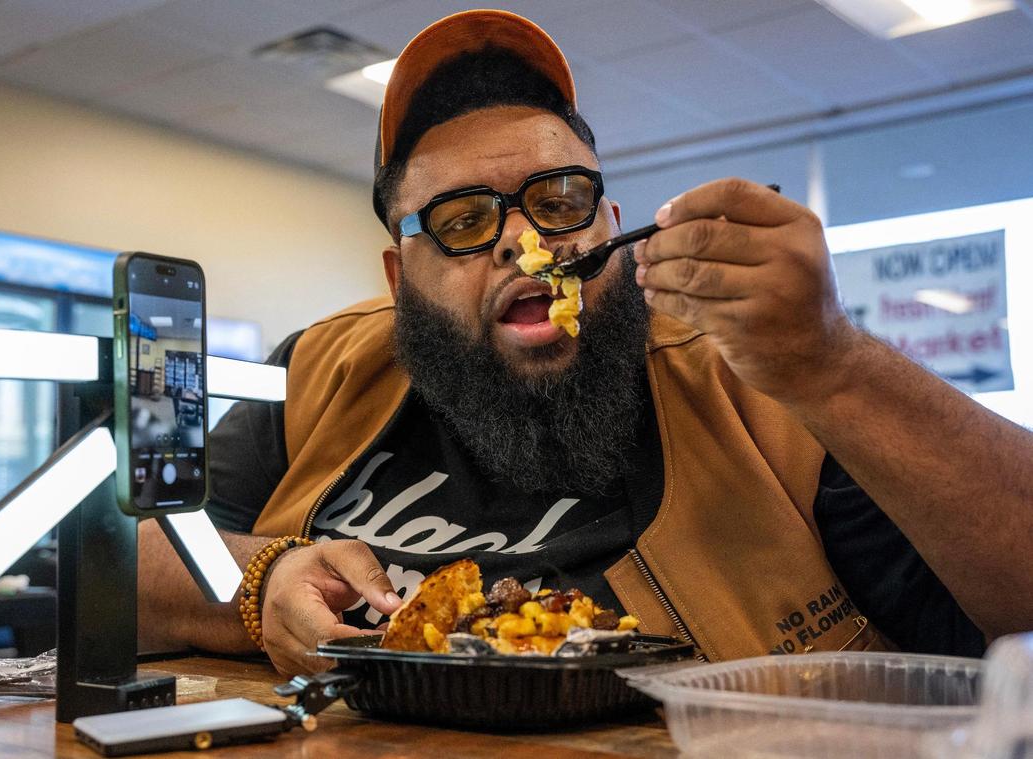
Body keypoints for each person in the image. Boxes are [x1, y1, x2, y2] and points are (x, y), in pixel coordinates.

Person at [138, 10, 1033, 676]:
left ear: (608, 222)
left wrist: (832, 360)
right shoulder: (321, 369)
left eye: (558, 200)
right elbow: (114, 562)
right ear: (399, 277)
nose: (523, 239)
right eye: (462, 218)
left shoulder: (758, 385)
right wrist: (263, 583)